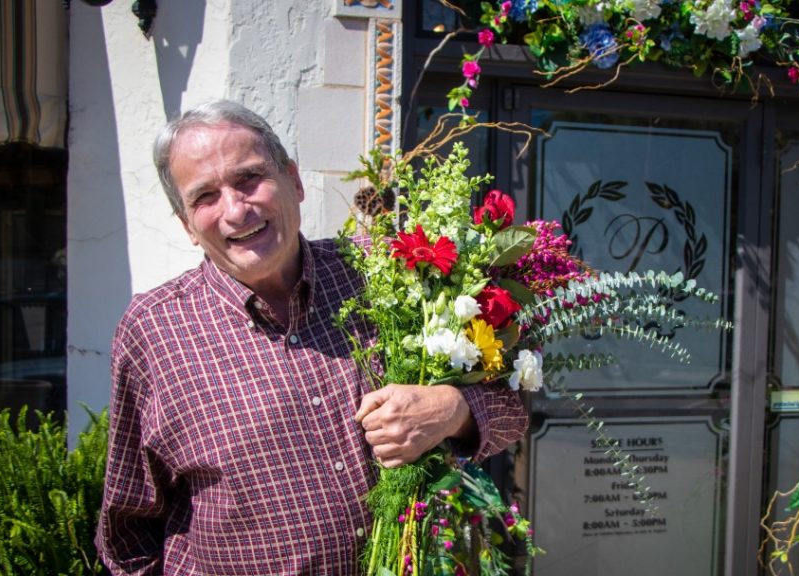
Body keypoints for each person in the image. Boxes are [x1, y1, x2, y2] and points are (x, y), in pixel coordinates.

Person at [95, 100, 528, 575]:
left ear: (294, 181)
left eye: (249, 178)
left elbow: (514, 410)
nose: (236, 211)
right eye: (205, 197)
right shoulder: (155, 332)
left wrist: (455, 410)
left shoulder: (390, 275)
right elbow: (128, 533)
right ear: (187, 227)